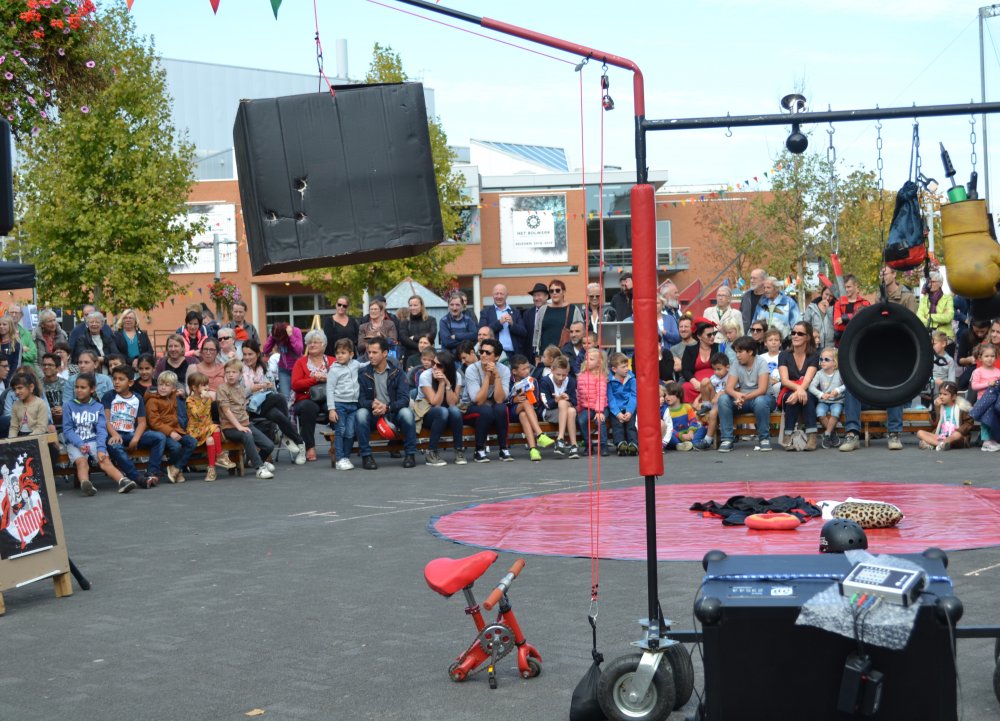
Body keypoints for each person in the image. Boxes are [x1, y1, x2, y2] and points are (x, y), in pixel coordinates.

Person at [65, 372, 133, 495]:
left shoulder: (98, 407)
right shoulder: (68, 406)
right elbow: (68, 430)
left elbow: (101, 430)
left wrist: (101, 448)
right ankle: (86, 484)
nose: (78, 390)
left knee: (104, 460)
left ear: (92, 389)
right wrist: (79, 443)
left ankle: (123, 481)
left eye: (83, 387)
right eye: (77, 387)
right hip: (75, 443)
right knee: (82, 462)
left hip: (94, 441)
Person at [356, 336, 418, 469]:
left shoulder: (398, 372)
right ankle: (366, 456)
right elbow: (360, 401)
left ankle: (410, 454)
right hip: (374, 414)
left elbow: (404, 399)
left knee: (407, 413)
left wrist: (387, 407)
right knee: (361, 413)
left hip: (393, 414)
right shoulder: (362, 373)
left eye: (374, 352)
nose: (370, 356)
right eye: (369, 352)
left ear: (385, 353)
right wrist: (372, 404)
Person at [101, 366, 167, 489]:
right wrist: (114, 434)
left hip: (131, 434)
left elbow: (142, 423)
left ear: (130, 382)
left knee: (159, 437)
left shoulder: (137, 398)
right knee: (115, 446)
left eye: (121, 379)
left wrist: (136, 439)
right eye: (114, 379)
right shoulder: (109, 396)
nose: (116, 382)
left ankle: (152, 472)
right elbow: (106, 420)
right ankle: (137, 477)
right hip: (113, 434)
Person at [241, 340, 305, 464]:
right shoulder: (239, 370)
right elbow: (236, 395)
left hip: (265, 405)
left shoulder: (264, 368)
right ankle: (296, 440)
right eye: (245, 354)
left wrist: (268, 386)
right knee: (280, 398)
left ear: (257, 355)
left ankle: (291, 438)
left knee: (275, 413)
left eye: (250, 354)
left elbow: (272, 391)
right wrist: (251, 389)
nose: (247, 357)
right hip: (248, 408)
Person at [218, 359, 276, 478]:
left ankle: (256, 460)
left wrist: (263, 385)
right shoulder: (222, 389)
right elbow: (226, 410)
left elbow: (248, 391)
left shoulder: (239, 388)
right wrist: (239, 427)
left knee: (269, 445)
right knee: (247, 435)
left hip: (245, 424)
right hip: (230, 427)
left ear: (240, 374)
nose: (230, 375)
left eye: (233, 372)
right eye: (228, 372)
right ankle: (259, 468)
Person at [717, 335, 775, 453]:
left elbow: (762, 389)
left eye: (740, 352)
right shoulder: (735, 364)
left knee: (760, 401)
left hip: (764, 399)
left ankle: (764, 438)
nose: (737, 355)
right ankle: (727, 439)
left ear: (750, 352)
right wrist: (737, 395)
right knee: (723, 399)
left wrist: (743, 397)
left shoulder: (761, 362)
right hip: (744, 399)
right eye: (736, 352)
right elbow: (729, 388)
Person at [144, 371, 197, 483]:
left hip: (175, 429)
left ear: (173, 388)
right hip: (160, 432)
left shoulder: (172, 396)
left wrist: (177, 431)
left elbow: (175, 413)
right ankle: (176, 469)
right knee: (176, 447)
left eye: (167, 385)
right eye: (160, 385)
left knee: (192, 442)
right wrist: (171, 432)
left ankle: (176, 468)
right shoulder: (152, 400)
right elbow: (154, 423)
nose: (163, 388)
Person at [465, 337, 512, 463]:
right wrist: (487, 376)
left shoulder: (504, 370)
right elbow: (478, 401)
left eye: (488, 353)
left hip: (493, 407)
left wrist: (496, 377)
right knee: (485, 410)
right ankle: (479, 450)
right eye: (481, 352)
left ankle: (503, 449)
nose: (483, 355)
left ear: (496, 357)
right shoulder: (472, 369)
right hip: (470, 409)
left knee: (502, 408)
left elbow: (500, 400)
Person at [185, 371, 237, 482]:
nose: (207, 388)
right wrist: (204, 400)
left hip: (206, 429)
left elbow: (207, 416)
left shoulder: (208, 398)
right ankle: (220, 456)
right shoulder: (190, 400)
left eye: (207, 385)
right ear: (194, 387)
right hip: (195, 431)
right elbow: (197, 415)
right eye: (203, 385)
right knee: (216, 428)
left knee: (210, 440)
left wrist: (208, 399)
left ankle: (212, 469)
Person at [290, 329, 333, 462]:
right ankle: (309, 446)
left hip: (328, 397)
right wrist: (314, 379)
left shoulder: (332, 361)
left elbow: (341, 381)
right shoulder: (301, 362)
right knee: (309, 407)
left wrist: (327, 378)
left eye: (316, 342)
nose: (312, 345)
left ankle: (337, 445)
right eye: (309, 343)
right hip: (305, 398)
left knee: (336, 407)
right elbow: (295, 385)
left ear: (324, 345)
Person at [777, 321, 819, 451]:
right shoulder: (784, 355)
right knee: (792, 397)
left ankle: (812, 435)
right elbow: (784, 380)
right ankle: (788, 435)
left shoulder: (814, 355)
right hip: (788, 390)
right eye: (793, 333)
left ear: (807, 337)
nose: (795, 336)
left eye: (800, 333)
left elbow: (808, 380)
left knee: (808, 396)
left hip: (807, 390)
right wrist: (798, 390)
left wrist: (800, 390)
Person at [419, 350, 466, 466]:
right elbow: (435, 403)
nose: (434, 367)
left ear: (447, 368)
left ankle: (459, 450)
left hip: (447, 413)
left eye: (439, 365)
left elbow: (452, 403)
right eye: (433, 363)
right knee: (442, 411)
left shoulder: (457, 376)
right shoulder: (425, 376)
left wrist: (448, 385)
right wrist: (441, 383)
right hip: (428, 413)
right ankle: (431, 452)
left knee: (454, 411)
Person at [507, 354, 551, 461]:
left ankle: (533, 450)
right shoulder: (508, 381)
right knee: (525, 405)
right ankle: (540, 434)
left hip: (529, 412)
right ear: (514, 371)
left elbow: (536, 404)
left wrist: (528, 395)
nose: (527, 371)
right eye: (524, 369)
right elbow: (504, 400)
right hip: (512, 412)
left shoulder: (533, 381)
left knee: (524, 414)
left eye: (528, 368)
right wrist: (514, 399)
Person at [326, 338, 362, 471]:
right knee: (340, 431)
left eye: (343, 352)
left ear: (351, 354)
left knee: (350, 432)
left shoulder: (355, 364)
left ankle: (346, 457)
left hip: (353, 405)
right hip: (339, 404)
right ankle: (340, 459)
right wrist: (331, 409)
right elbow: (329, 389)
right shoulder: (334, 370)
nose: (340, 355)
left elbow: (366, 365)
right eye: (338, 353)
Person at [539, 355, 578, 458]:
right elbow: (546, 404)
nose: (561, 378)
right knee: (565, 406)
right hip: (549, 412)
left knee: (570, 410)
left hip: (566, 411)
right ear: (552, 370)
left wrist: (568, 397)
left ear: (568, 372)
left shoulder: (571, 381)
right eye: (558, 374)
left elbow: (575, 401)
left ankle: (565, 442)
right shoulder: (545, 381)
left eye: (564, 375)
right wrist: (556, 400)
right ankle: (569, 443)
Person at [916, 381, 972, 451]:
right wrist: (935, 408)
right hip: (940, 435)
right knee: (919, 432)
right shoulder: (938, 406)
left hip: (955, 437)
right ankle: (941, 444)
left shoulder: (962, 407)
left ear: (953, 396)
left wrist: (959, 431)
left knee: (957, 435)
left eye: (945, 394)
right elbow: (934, 424)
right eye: (940, 394)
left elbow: (969, 423)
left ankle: (934, 443)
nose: (941, 396)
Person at [534, 279, 582, 355]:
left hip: (566, 355)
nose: (554, 293)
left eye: (557, 290)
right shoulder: (543, 309)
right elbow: (537, 333)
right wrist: (536, 354)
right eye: (551, 291)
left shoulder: (573, 309)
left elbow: (581, 331)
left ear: (564, 292)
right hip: (545, 355)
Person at [576, 347, 609, 456]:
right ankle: (588, 445)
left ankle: (604, 445)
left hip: (601, 407)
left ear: (599, 362)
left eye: (591, 359)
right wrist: (579, 409)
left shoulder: (600, 376)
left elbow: (601, 394)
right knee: (581, 420)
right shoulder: (581, 376)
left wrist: (599, 411)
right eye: (586, 359)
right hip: (587, 407)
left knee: (599, 421)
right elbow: (580, 395)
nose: (587, 361)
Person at [811, 347, 845, 448]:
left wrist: (838, 390)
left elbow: (847, 384)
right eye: (821, 359)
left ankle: (826, 434)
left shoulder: (839, 373)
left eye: (826, 359)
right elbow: (811, 386)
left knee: (835, 413)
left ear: (834, 362)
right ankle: (832, 434)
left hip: (837, 401)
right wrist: (821, 394)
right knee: (820, 413)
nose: (823, 362)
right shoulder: (819, 373)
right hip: (824, 401)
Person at [479, 284, 526, 358]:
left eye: (502, 294)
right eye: (496, 294)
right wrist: (499, 323)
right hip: (494, 354)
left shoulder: (515, 312)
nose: (499, 296)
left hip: (514, 354)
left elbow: (524, 332)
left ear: (507, 295)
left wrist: (512, 324)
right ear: (493, 295)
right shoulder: (486, 312)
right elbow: (482, 332)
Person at [680, 319, 719, 405]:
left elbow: (723, 367)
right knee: (685, 387)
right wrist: (695, 383)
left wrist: (706, 385)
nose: (713, 337)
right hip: (696, 385)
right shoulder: (690, 350)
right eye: (709, 335)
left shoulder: (719, 347)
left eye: (714, 334)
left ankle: (703, 404)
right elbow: (686, 370)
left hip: (714, 382)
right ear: (699, 336)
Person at [607, 351, 638, 455]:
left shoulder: (632, 379)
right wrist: (618, 413)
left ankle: (633, 444)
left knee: (631, 425)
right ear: (614, 369)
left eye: (627, 366)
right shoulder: (610, 381)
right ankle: (620, 444)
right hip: (617, 409)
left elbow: (634, 396)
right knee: (617, 425)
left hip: (629, 407)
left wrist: (629, 411)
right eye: (623, 367)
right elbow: (611, 399)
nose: (627, 369)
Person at [263, 321, 304, 401]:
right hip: (284, 370)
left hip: (298, 369)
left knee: (299, 395)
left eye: (280, 338)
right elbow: (265, 350)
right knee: (285, 397)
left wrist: (291, 336)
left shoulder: (296, 331)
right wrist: (272, 336)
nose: (279, 341)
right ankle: (286, 413)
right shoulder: (276, 335)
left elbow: (299, 350)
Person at [662, 380, 706, 451]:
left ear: (678, 394)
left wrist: (690, 432)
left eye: (669, 394)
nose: (666, 397)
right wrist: (680, 436)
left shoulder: (687, 407)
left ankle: (694, 443)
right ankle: (680, 445)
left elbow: (693, 421)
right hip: (676, 436)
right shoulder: (666, 410)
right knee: (668, 434)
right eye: (665, 395)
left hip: (688, 433)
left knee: (703, 428)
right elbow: (668, 427)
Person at [833, 274, 870, 345]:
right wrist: (855, 318)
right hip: (842, 343)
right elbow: (837, 326)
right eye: (844, 287)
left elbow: (865, 323)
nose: (846, 290)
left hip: (859, 342)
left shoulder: (865, 303)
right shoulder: (838, 304)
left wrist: (844, 318)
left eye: (849, 287)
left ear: (855, 286)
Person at [916, 270, 954, 338]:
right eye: (929, 282)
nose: (930, 284)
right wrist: (939, 320)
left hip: (945, 335)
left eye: (933, 282)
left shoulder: (948, 298)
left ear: (940, 283)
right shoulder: (924, 299)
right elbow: (919, 318)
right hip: (928, 334)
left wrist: (929, 316)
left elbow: (948, 317)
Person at [955, 319, 991, 392]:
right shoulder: (966, 334)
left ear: (988, 328)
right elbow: (959, 360)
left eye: (982, 331)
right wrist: (969, 359)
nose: (979, 334)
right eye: (976, 331)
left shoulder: (993, 335)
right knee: (961, 385)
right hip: (974, 366)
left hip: (991, 367)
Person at [521, 282, 551, 361]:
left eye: (539, 295)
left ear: (546, 296)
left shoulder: (552, 311)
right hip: (531, 355)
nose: (536, 298)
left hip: (549, 354)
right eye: (534, 296)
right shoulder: (527, 314)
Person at [803, 286, 836, 351]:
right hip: (815, 344)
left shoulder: (835, 307)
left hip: (830, 345)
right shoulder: (812, 307)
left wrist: (829, 310)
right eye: (826, 294)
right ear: (822, 293)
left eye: (831, 296)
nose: (828, 298)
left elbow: (835, 325)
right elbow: (805, 325)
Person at [39, 353, 65, 426]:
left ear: (58, 368)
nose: (46, 367)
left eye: (50, 365)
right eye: (44, 365)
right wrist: (48, 411)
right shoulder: (37, 385)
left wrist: (64, 409)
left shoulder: (67, 384)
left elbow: (74, 404)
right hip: (44, 423)